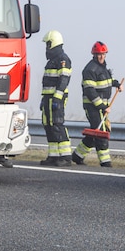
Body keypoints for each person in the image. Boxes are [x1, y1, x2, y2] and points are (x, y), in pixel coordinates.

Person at [73, 41, 123, 167]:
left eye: (103, 54)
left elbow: (108, 80)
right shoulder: (89, 69)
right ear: (94, 55)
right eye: (99, 54)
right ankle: (105, 162)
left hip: (102, 107)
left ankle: (77, 155)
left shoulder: (103, 68)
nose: (101, 57)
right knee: (101, 133)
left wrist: (116, 84)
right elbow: (90, 92)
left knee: (94, 133)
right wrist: (103, 106)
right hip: (92, 107)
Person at [39, 30, 73, 166]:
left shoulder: (63, 60)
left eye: (48, 43)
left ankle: (65, 157)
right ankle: (53, 156)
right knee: (48, 125)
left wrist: (58, 98)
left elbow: (64, 80)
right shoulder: (52, 61)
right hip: (48, 98)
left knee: (57, 125)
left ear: (53, 43)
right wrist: (44, 99)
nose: (46, 47)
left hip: (56, 98)